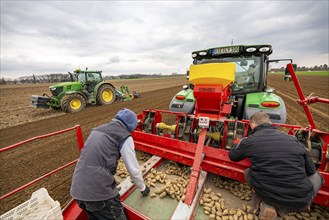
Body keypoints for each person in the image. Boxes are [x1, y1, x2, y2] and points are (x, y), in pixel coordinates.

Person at [229, 112, 324, 220]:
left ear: (252, 125)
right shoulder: (293, 140)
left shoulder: (249, 141)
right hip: (300, 199)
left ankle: (268, 205)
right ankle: (291, 206)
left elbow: (233, 156)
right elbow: (311, 170)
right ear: (270, 123)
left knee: (248, 172)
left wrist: (239, 143)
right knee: (318, 176)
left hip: (267, 194)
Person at [70, 108, 150, 220]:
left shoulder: (98, 130)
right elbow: (133, 169)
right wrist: (142, 187)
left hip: (78, 191)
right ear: (131, 126)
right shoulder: (124, 136)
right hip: (99, 195)